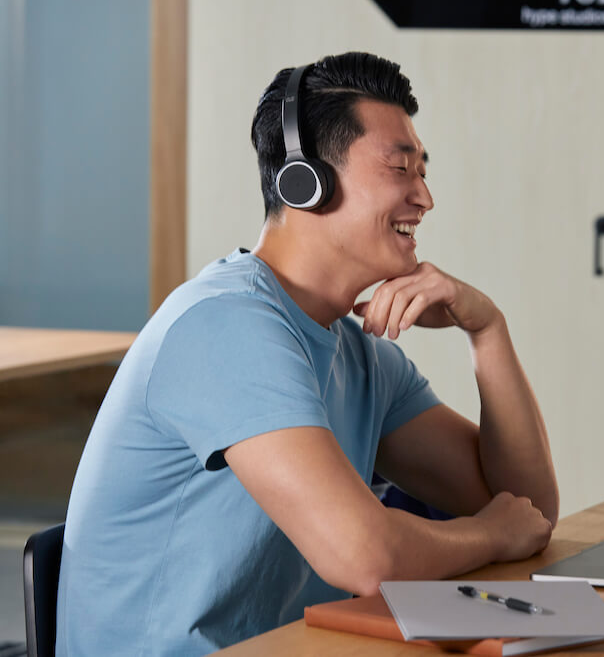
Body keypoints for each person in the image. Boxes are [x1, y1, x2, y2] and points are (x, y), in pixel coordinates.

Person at [56, 52, 558, 655]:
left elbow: (527, 508)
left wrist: (488, 331)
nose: (424, 197)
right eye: (401, 169)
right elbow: (366, 556)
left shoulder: (360, 351)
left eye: (423, 171)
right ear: (305, 181)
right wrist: (490, 536)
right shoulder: (227, 324)